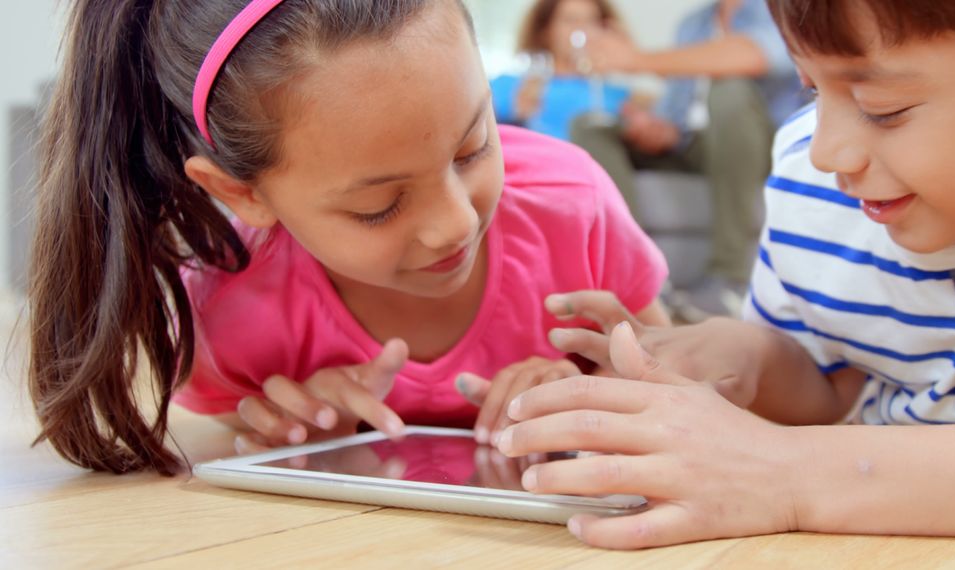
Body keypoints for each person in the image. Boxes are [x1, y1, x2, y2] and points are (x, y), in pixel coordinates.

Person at [495, 0, 955, 550]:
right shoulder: (812, 186)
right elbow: (833, 392)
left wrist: (786, 472)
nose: (827, 151)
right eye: (810, 90)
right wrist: (752, 357)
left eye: (883, 109)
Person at [28, 0, 670, 475]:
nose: (457, 223)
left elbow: (668, 362)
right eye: (378, 206)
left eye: (473, 147)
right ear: (243, 195)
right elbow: (238, 423)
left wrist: (600, 390)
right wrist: (298, 426)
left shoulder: (572, 206)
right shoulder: (231, 308)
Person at [570, 0, 805, 316]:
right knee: (590, 125)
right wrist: (659, 128)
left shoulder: (783, 9)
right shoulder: (693, 23)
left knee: (730, 90)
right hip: (690, 144)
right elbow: (676, 105)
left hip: (753, 146)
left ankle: (730, 279)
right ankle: (632, 273)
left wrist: (636, 59)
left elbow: (754, 55)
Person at [489, 0, 634, 141]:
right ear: (545, 31)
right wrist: (519, 117)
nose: (583, 29)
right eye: (571, 20)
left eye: (592, 21)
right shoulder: (507, 87)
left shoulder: (619, 95)